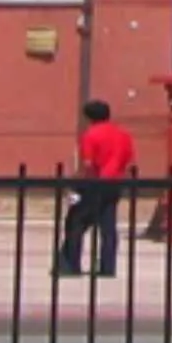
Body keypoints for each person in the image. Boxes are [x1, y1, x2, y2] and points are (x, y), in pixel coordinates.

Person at [56, 98, 137, 280]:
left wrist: (75, 183)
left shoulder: (91, 135)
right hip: (115, 183)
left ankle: (70, 264)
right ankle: (107, 267)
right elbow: (129, 162)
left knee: (76, 223)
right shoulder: (123, 135)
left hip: (94, 184)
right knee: (108, 226)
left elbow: (87, 164)